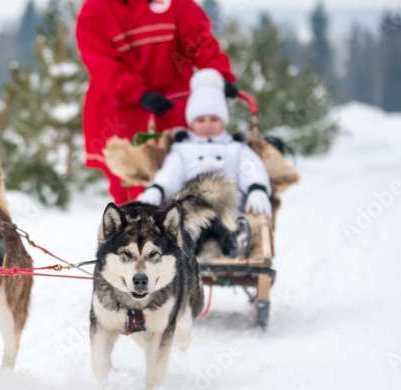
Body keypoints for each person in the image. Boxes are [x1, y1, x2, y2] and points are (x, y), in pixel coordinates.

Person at [76, 0, 238, 205]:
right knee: (131, 188)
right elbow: (102, 64)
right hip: (122, 114)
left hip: (172, 110)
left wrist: (217, 76)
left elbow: (200, 42)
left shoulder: (175, 5)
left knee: (188, 179)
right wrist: (137, 92)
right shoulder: (96, 11)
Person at [137, 68, 272, 257]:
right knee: (189, 227)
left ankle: (236, 241)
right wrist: (157, 189)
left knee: (229, 223)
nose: (207, 124)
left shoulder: (235, 148)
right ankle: (186, 247)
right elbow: (171, 173)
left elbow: (252, 168)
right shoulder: (183, 150)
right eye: (201, 120)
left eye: (214, 119)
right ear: (192, 122)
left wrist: (258, 189)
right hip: (193, 206)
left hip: (227, 204)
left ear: (223, 120)